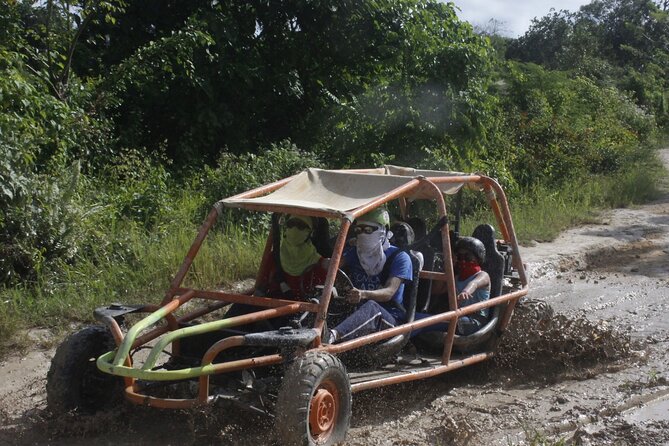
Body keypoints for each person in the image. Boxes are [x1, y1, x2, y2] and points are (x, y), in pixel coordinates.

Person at [326, 208, 413, 343]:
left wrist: (363, 294)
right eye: (359, 230)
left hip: (390, 318)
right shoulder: (354, 253)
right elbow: (333, 267)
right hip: (357, 313)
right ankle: (306, 336)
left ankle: (330, 337)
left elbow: (389, 292)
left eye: (368, 230)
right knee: (327, 301)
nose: (362, 234)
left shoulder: (400, 257)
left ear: (383, 231)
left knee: (372, 307)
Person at [413, 236, 490, 336]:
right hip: (457, 316)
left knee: (423, 321)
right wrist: (448, 266)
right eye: (460, 257)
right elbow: (437, 290)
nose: (463, 260)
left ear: (477, 258)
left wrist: (466, 292)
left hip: (475, 321)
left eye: (467, 257)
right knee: (416, 318)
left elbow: (474, 284)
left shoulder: (483, 275)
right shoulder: (457, 277)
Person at [255, 214, 328, 300]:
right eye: (290, 224)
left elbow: (321, 297)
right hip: (271, 307)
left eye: (301, 226)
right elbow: (261, 286)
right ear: (285, 229)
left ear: (309, 232)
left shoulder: (320, 263)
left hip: (301, 310)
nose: (294, 229)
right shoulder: (274, 257)